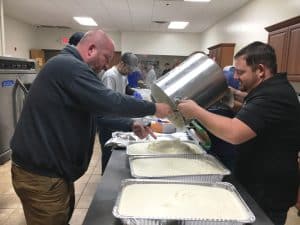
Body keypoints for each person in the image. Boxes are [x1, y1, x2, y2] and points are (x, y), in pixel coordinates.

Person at [10, 29, 172, 225]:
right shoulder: (68, 66)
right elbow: (109, 101)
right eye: (106, 57)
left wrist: (131, 123)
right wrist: (154, 107)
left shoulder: (71, 68)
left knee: (61, 217)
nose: (106, 64)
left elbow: (98, 114)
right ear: (91, 49)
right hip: (41, 174)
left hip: (53, 172)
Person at [177, 41, 300, 225]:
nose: (235, 76)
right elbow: (255, 115)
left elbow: (234, 132)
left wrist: (196, 111)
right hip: (256, 181)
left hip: (268, 191)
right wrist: (230, 98)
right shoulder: (268, 89)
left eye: (240, 72)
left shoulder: (273, 96)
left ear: (260, 70)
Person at [99, 52, 143, 173]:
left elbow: (126, 89)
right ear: (122, 63)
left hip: (118, 118)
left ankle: (113, 174)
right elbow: (109, 101)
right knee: (108, 152)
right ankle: (105, 178)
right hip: (108, 120)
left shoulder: (123, 75)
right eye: (129, 69)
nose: (129, 73)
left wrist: (133, 93)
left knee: (117, 151)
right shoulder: (110, 76)